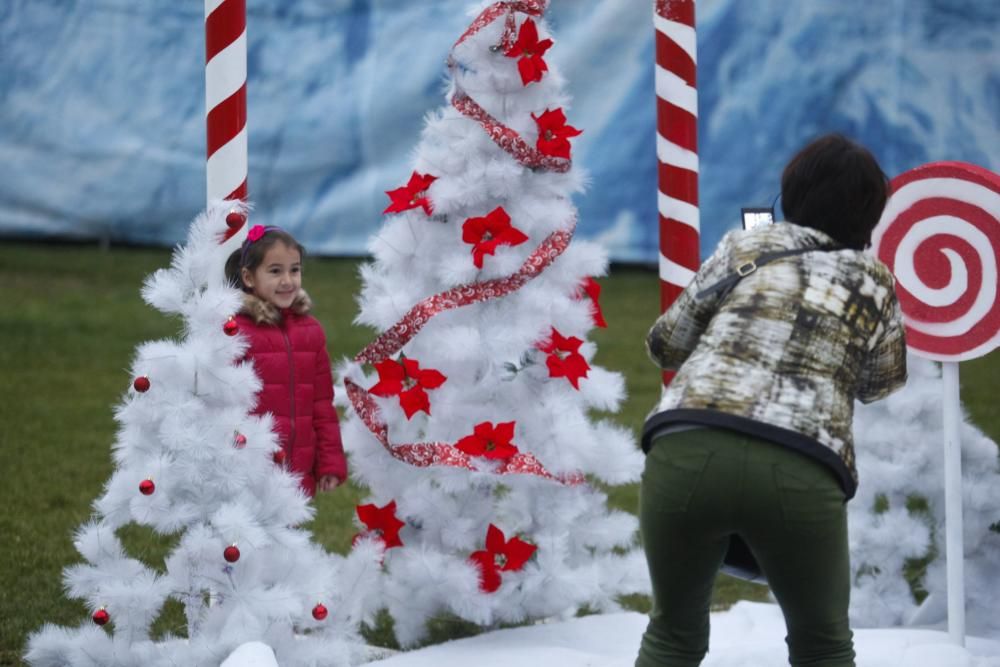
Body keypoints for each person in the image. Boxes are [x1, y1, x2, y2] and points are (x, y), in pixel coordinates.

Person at [635, 134, 908, 667]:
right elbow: (881, 383)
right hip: (801, 464)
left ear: (791, 193)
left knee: (672, 638)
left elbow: (664, 342)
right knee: (823, 646)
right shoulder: (876, 280)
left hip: (684, 445)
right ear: (872, 212)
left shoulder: (747, 246)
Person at [224, 224, 347, 497]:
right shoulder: (235, 332)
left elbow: (322, 404)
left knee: (289, 536)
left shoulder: (310, 332)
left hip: (297, 471)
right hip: (248, 469)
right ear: (249, 277)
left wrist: (329, 462)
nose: (288, 280)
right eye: (275, 271)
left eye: (294, 269)